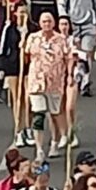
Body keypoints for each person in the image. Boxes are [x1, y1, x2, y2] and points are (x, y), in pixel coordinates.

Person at [25, 12, 73, 160]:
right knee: (38, 115)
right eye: (44, 21)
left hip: (55, 82)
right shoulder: (33, 38)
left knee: (54, 113)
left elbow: (69, 57)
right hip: (37, 82)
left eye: (49, 21)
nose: (47, 24)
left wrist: (70, 74)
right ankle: (39, 149)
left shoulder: (61, 39)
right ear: (40, 23)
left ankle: (55, 141)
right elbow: (26, 56)